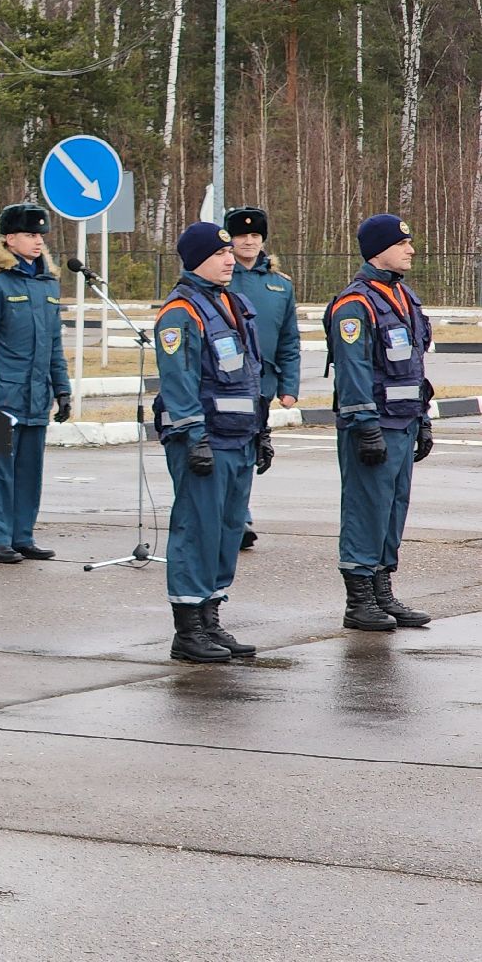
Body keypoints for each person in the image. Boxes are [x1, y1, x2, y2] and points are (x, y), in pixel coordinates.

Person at [151, 223, 266, 663]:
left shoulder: (233, 304)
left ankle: (211, 619)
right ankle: (188, 629)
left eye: (229, 252)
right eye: (219, 253)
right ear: (197, 258)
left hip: (237, 438)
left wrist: (262, 430)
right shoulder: (181, 312)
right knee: (196, 529)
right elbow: (179, 383)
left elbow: (250, 373)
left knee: (226, 530)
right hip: (204, 441)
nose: (230, 258)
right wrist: (194, 437)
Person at [328, 214, 433, 632]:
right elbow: (353, 371)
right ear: (379, 250)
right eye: (402, 243)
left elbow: (413, 367)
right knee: (365, 509)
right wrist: (364, 424)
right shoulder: (355, 304)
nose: (410, 249)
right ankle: (359, 600)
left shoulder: (403, 296)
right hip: (373, 426)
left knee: (392, 509)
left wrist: (423, 419)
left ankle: (382, 590)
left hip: (403, 423)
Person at [0, 202, 71, 564]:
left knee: (29, 470)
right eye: (29, 234)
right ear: (10, 239)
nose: (37, 241)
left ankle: (21, 535)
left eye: (40, 235)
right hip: (0, 397)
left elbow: (54, 343)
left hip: (35, 396)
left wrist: (62, 388)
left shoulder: (48, 284)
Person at [223, 206, 299, 550]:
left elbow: (289, 339)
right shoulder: (221, 276)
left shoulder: (279, 285)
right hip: (225, 381)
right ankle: (237, 518)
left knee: (251, 450)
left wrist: (289, 386)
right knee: (229, 449)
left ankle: (238, 514)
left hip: (262, 383)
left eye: (255, 236)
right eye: (242, 236)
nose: (249, 242)